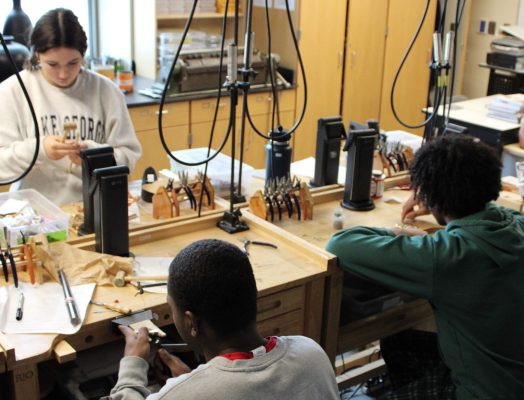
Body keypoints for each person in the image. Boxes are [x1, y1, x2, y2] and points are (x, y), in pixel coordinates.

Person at [326, 135, 524, 399]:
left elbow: (341, 244)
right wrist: (438, 209)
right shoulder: (515, 223)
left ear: (431, 197)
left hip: (482, 392)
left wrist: (398, 231)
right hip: (511, 375)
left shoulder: (445, 257)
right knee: (399, 342)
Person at [106, 239, 340, 400]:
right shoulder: (312, 352)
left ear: (191, 322)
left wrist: (133, 364)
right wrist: (195, 383)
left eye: (172, 307)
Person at [0, 8, 141, 206]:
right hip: (35, 214)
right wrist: (40, 150)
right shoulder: (12, 91)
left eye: (73, 63)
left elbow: (129, 157)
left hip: (95, 208)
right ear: (37, 55)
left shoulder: (107, 91)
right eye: (53, 64)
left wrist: (92, 155)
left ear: (83, 55)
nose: (64, 74)